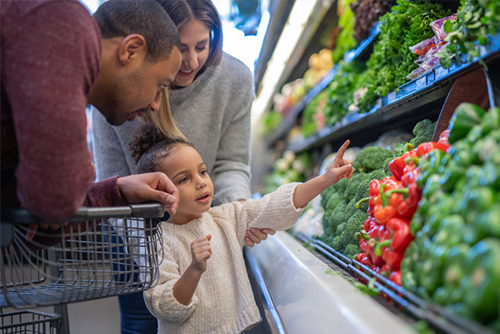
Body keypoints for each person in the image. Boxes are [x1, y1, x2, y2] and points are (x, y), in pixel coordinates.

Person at [91, 0, 271, 332]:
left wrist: (239, 212)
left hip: (205, 227)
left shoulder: (234, 79)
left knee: (211, 318)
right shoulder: (118, 82)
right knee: (140, 323)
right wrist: (158, 260)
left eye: (201, 46)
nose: (191, 61)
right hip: (134, 229)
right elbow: (110, 180)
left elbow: (231, 162)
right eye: (180, 48)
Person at [128, 123, 354, 333]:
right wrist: (195, 268)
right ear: (161, 193)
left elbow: (274, 206)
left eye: (203, 171)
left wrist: (324, 179)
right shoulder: (156, 242)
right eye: (184, 179)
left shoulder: (225, 217)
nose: (201, 182)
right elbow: (165, 307)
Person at [0, 0, 182, 239]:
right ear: (131, 50)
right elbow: (55, 201)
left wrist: (117, 192)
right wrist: (54, 200)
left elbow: (32, 224)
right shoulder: (59, 20)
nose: (155, 105)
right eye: (160, 85)